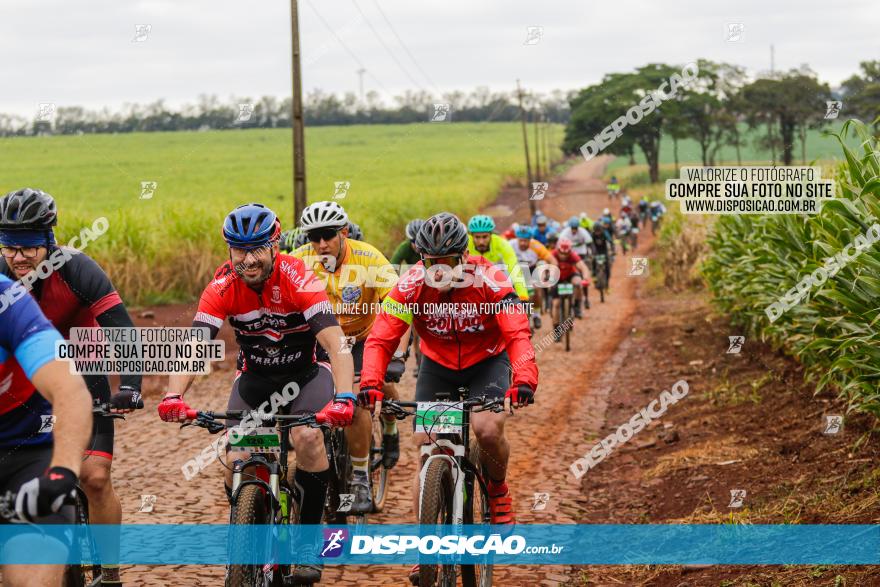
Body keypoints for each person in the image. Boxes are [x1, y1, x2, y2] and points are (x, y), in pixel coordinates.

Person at [157, 203, 356, 585]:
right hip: (256, 380)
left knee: (308, 437)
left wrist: (344, 397)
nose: (247, 260)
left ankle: (308, 542)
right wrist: (172, 396)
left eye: (256, 249)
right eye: (238, 250)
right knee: (239, 453)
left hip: (306, 376)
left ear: (274, 245)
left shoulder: (298, 277)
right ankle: (252, 518)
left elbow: (337, 344)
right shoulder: (222, 287)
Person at [356, 213, 538, 585]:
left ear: (465, 256)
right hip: (438, 366)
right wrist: (371, 381)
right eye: (431, 264)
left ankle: (498, 490)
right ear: (421, 259)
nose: (440, 272)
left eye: (449, 263)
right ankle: (426, 553)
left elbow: (518, 334)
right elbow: (381, 338)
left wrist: (523, 379)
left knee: (487, 428)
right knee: (426, 445)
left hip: (487, 361)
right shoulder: (410, 285)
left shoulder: (491, 278)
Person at [0, 188, 144, 586]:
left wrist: (131, 385)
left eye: (29, 247)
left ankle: (110, 572)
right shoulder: (1, 276)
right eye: (10, 247)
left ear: (48, 241)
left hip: (84, 370)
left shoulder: (79, 270)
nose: (19, 258)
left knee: (94, 476)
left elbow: (122, 330)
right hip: (27, 386)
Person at [292, 200, 406, 515]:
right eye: (314, 237)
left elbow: (397, 306)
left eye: (328, 235)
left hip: (361, 339)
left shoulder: (369, 258)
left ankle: (359, 477)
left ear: (344, 232)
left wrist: (394, 351)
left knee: (355, 404)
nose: (321, 244)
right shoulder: (299, 260)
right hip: (319, 341)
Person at [0, 272, 93, 587]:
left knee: (30, 581)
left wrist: (62, 472)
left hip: (27, 456)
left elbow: (70, 390)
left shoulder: (9, 303)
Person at [466, 215, 529, 301]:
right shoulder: (466, 244)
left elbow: (514, 269)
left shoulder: (502, 244)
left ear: (491, 235)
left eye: (485, 237)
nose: (481, 241)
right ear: (471, 236)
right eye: (477, 237)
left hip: (496, 278)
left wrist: (523, 296)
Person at [509, 224, 558, 329]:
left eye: (525, 240)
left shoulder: (536, 246)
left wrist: (552, 274)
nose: (522, 243)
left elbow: (552, 260)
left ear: (530, 240)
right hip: (515, 271)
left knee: (536, 288)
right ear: (516, 238)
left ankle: (536, 315)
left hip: (531, 270)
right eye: (520, 240)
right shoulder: (510, 245)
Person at [550, 238, 591, 328]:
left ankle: (577, 306)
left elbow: (583, 267)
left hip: (570, 275)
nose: (564, 256)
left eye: (566, 253)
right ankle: (556, 328)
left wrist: (585, 278)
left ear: (569, 251)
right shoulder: (552, 254)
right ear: (558, 250)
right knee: (556, 304)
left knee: (578, 283)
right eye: (562, 253)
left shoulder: (573, 255)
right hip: (557, 278)